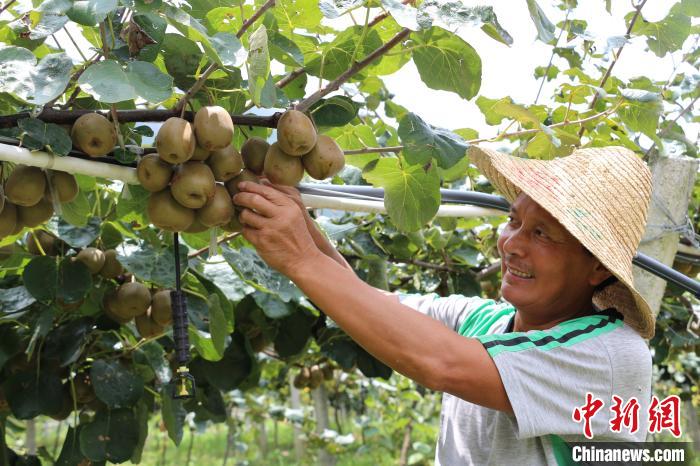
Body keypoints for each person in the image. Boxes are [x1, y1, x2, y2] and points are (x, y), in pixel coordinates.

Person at [232, 145, 655, 465]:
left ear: (598, 268)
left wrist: (301, 258)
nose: (511, 244)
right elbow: (372, 304)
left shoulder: (610, 354)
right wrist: (294, 219)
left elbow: (440, 363)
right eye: (513, 221)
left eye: (542, 234)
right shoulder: (487, 321)